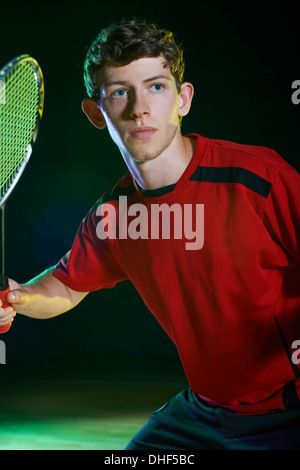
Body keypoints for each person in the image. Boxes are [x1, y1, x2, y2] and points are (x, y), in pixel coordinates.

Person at [1, 19, 300, 450]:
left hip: (287, 411)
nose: (140, 107)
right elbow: (66, 285)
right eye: (120, 91)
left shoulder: (259, 179)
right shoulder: (115, 215)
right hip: (204, 413)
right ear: (95, 113)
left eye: (156, 87)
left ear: (183, 99)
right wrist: (21, 297)